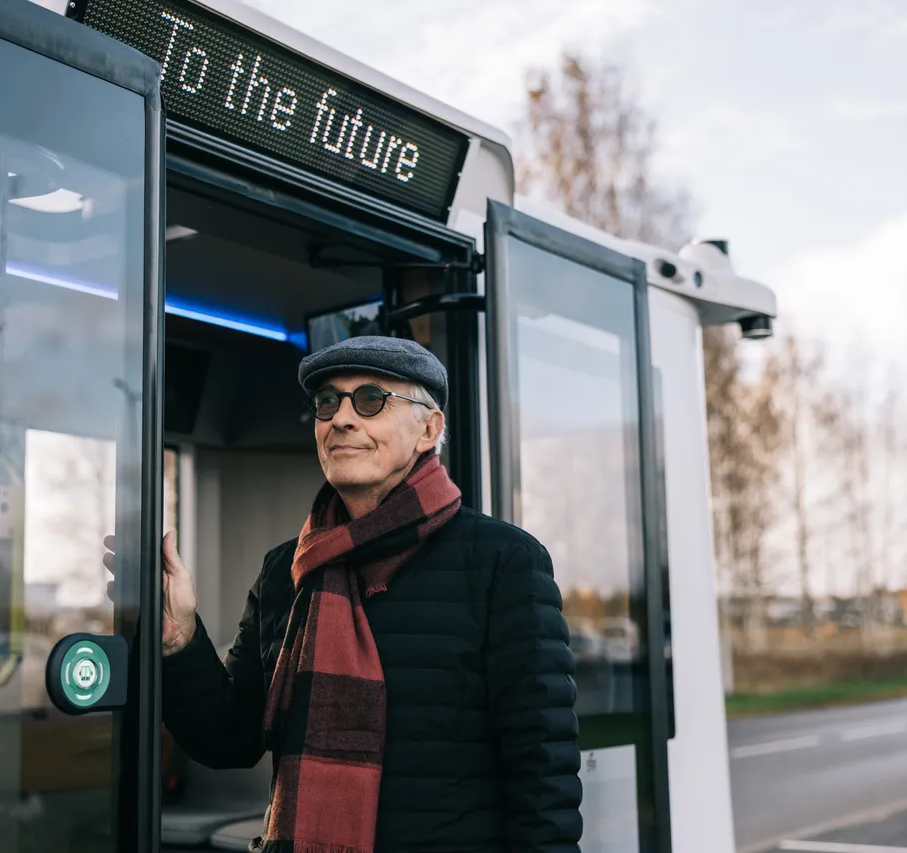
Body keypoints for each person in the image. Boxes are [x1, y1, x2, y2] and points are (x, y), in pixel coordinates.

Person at [107, 335, 583, 853]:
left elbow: (542, 774)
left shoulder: (503, 561)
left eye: (371, 400)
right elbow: (231, 739)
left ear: (429, 428)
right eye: (328, 402)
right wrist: (179, 643)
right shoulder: (284, 571)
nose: (342, 419)